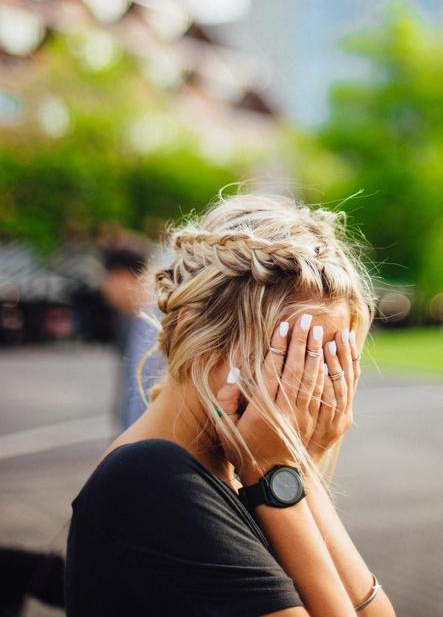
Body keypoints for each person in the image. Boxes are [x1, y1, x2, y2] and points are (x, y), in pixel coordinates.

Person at [65, 192, 396, 617]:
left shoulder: (243, 462)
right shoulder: (151, 479)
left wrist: (296, 471)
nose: (310, 390)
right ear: (196, 332)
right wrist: (276, 479)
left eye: (330, 361)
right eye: (289, 357)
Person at [101, 243, 162, 429]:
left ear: (121, 276)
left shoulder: (151, 327)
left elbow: (141, 399)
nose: (104, 288)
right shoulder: (138, 321)